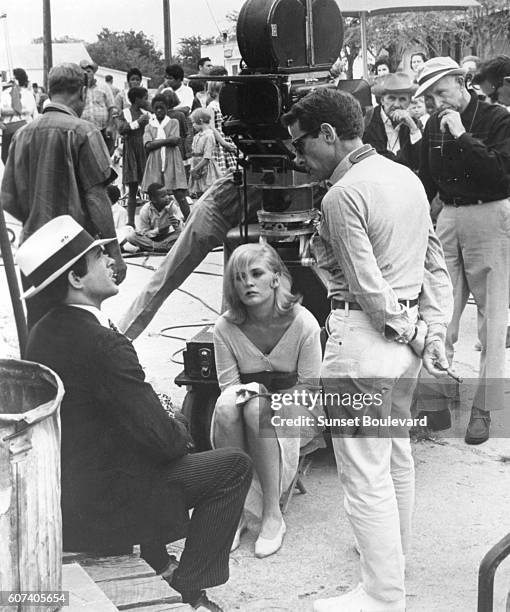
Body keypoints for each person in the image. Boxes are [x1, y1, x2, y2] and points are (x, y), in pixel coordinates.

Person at [19, 215, 251, 612]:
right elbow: (165, 443)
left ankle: (158, 559)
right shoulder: (104, 344)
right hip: (102, 506)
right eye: (97, 257)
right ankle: (189, 584)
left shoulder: (43, 330)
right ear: (75, 279)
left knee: (143, 440)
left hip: (68, 487)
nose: (111, 261)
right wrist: (177, 424)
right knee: (232, 467)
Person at [281, 88, 452, 612]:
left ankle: (382, 593)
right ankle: (391, 568)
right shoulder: (406, 177)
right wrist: (434, 329)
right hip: (400, 345)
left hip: (365, 341)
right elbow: (434, 264)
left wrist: (409, 330)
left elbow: (368, 285)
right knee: (395, 456)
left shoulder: (341, 194)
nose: (300, 159)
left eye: (303, 146)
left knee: (364, 472)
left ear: (329, 134)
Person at [417, 56, 510, 444]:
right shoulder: (431, 124)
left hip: (489, 214)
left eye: (442, 92)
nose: (438, 103)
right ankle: (436, 401)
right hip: (449, 215)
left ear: (463, 81)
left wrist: (461, 136)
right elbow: (424, 176)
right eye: (430, 97)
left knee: (492, 317)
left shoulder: (497, 119)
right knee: (441, 309)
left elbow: (500, 172)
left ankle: (484, 408)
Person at [212, 243, 323, 558]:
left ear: (276, 278)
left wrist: (268, 400)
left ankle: (272, 515)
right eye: (238, 277)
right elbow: (229, 387)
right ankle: (234, 512)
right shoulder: (225, 327)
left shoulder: (303, 323)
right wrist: (258, 397)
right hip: (248, 403)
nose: (247, 282)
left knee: (257, 409)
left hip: (298, 405)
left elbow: (310, 387)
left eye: (256, 273)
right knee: (232, 407)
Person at [1, 62, 125, 328]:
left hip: (33, 253)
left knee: (41, 330)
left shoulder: (21, 135)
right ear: (81, 92)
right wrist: (114, 251)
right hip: (74, 252)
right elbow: (96, 197)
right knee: (79, 331)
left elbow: (10, 202)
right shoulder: (84, 131)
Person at [363, 72, 422, 171]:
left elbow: (420, 161)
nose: (397, 104)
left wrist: (413, 128)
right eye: (392, 98)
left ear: (409, 102)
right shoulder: (368, 120)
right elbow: (375, 159)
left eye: (402, 99)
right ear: (382, 100)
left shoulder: (414, 123)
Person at [142, 94, 188, 213]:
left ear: (167, 108)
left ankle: (189, 222)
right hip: (155, 161)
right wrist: (166, 141)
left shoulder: (173, 122)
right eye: (156, 108)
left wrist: (156, 142)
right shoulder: (149, 126)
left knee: (179, 193)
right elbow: (148, 145)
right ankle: (160, 223)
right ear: (152, 108)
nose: (159, 111)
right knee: (157, 194)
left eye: (161, 108)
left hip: (171, 159)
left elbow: (175, 140)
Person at [118, 86, 150, 226]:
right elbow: (122, 129)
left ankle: (150, 221)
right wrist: (138, 123)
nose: (146, 100)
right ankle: (131, 222)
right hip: (131, 149)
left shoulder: (147, 112)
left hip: (144, 149)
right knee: (132, 188)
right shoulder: (125, 112)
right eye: (144, 98)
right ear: (137, 99)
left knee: (149, 186)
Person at [127, 182, 183, 252]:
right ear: (153, 200)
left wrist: (176, 224)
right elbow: (144, 233)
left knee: (182, 234)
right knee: (131, 236)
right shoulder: (145, 210)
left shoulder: (172, 207)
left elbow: (179, 230)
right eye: (163, 196)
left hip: (166, 238)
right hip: (151, 239)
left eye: (167, 195)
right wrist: (159, 230)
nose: (167, 198)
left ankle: (156, 247)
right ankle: (161, 247)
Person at [0, 67, 38, 163]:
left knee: (22, 159)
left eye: (14, 78)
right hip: (9, 129)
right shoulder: (4, 94)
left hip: (24, 129)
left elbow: (30, 111)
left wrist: (9, 111)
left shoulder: (28, 94)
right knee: (6, 158)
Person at [80, 59, 117, 154]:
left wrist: (109, 126)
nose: (86, 74)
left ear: (93, 73)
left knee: (105, 156)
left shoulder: (104, 87)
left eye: (88, 71)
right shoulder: (78, 89)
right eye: (83, 72)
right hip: (84, 131)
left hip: (102, 130)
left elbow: (112, 107)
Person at [189, 108, 222, 198]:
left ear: (201, 121)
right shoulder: (197, 136)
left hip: (205, 168)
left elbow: (207, 157)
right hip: (196, 166)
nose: (193, 125)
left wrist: (195, 169)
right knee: (198, 192)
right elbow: (194, 153)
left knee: (207, 193)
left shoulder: (209, 135)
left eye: (193, 122)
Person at [207, 81, 237, 175]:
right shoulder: (212, 106)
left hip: (230, 139)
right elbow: (211, 126)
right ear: (216, 92)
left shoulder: (227, 105)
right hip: (219, 141)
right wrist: (223, 143)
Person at [106, 184, 136, 252]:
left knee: (129, 229)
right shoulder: (101, 209)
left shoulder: (121, 211)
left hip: (115, 235)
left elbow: (120, 228)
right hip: (103, 235)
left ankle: (117, 246)